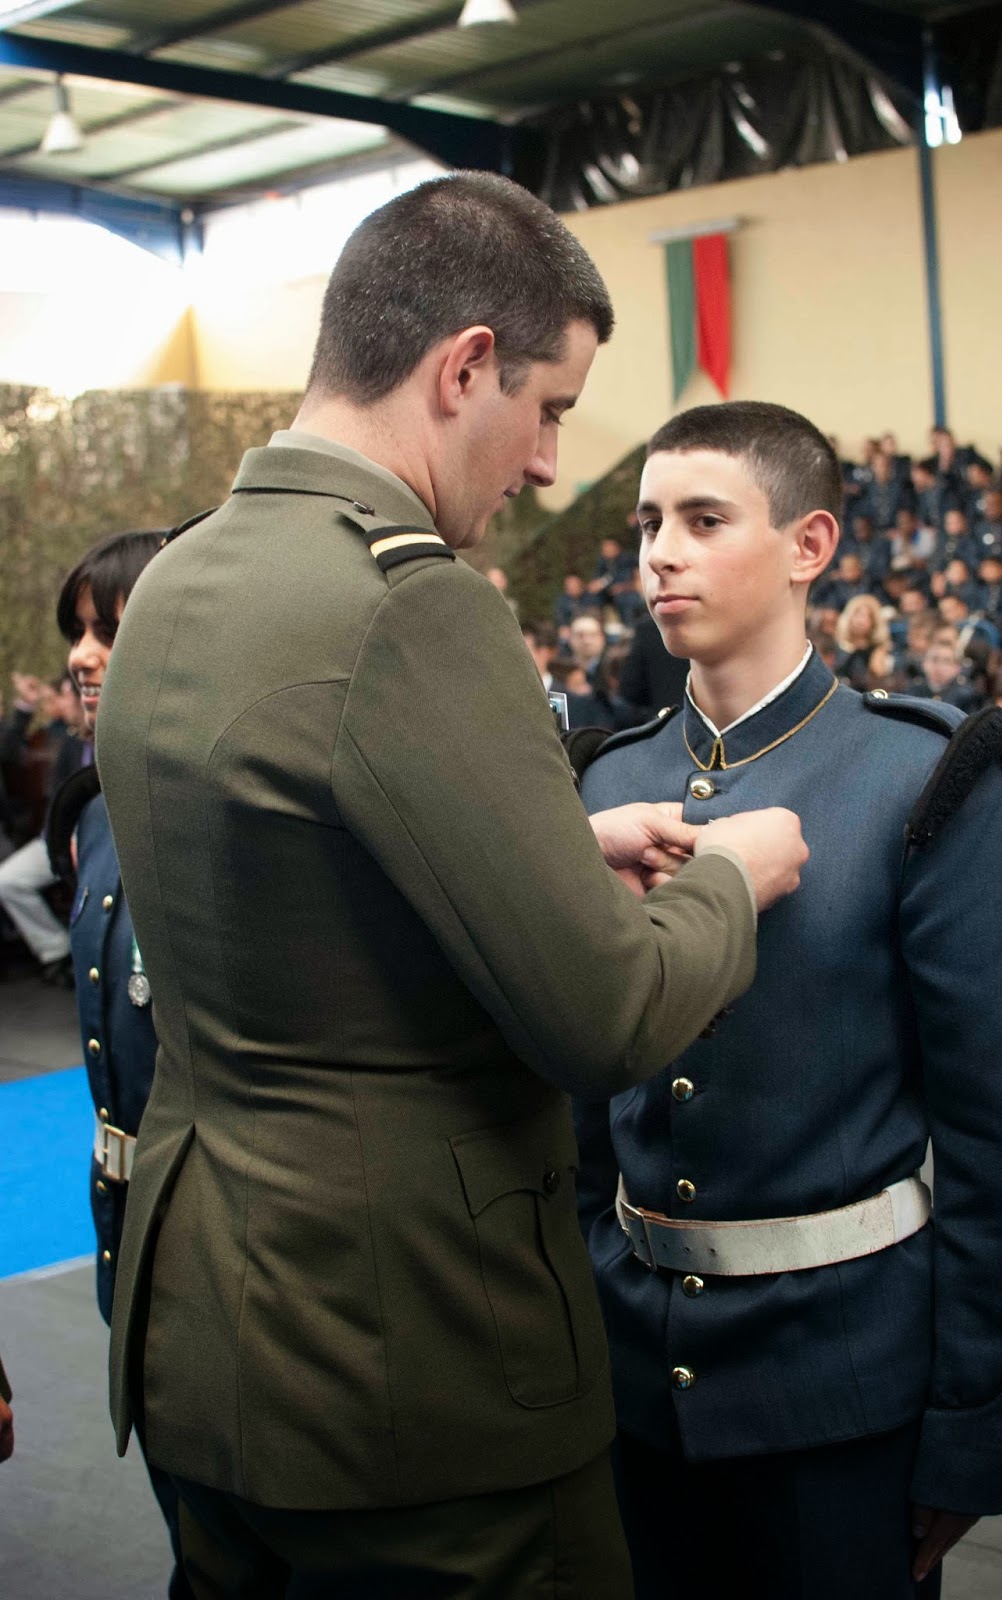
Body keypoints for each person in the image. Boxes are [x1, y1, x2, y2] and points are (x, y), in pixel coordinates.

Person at [95, 174, 807, 1598]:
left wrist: (546, 845)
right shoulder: (407, 604)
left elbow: (285, 874)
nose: (549, 462)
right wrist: (726, 877)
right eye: (546, 409)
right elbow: (603, 1014)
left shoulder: (180, 577)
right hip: (402, 1371)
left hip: (206, 1343)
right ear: (461, 367)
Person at [577, 401, 1002, 1600]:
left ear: (810, 545)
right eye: (646, 522)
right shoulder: (607, 781)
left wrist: (969, 1424)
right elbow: (584, 1102)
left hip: (842, 1389)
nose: (659, 553)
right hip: (631, 1376)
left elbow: (995, 1140)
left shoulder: (921, 777)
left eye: (702, 518)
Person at [43, 530, 192, 1599]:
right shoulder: (94, 812)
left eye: (110, 627)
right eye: (77, 635)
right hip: (125, 1216)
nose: (83, 657)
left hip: (218, 1231)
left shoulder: (226, 806)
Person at [0, 671, 84, 983]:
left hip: (82, 837)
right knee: (7, 880)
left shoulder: (81, 740)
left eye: (59, 696)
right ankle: (56, 950)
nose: (53, 703)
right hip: (53, 835)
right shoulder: (59, 735)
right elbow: (10, 748)